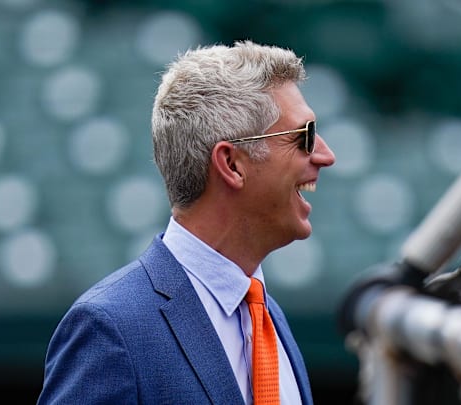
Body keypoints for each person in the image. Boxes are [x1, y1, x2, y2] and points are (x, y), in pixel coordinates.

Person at [37, 40, 335, 404]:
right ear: (232, 164)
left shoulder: (271, 320)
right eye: (304, 136)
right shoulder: (111, 328)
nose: (325, 155)